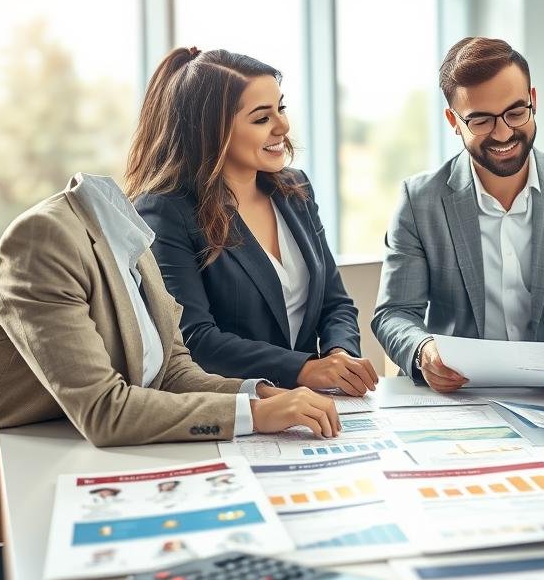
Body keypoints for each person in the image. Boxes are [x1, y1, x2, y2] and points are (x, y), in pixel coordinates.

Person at [0, 174, 342, 447]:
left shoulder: (126, 233)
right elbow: (103, 410)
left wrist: (259, 392)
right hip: (24, 462)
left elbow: (172, 373)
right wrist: (255, 413)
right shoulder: (44, 238)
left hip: (83, 448)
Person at [372, 37, 544, 393]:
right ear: (453, 120)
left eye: (515, 112)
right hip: (458, 399)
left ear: (534, 101)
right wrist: (423, 352)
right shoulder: (419, 202)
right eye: (480, 120)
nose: (503, 132)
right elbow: (395, 313)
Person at [130, 48, 378, 396]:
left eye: (282, 108)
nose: (283, 126)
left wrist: (339, 357)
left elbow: (334, 302)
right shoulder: (165, 211)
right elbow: (194, 339)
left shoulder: (295, 190)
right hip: (236, 406)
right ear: (212, 131)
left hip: (313, 403)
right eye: (262, 118)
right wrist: (303, 369)